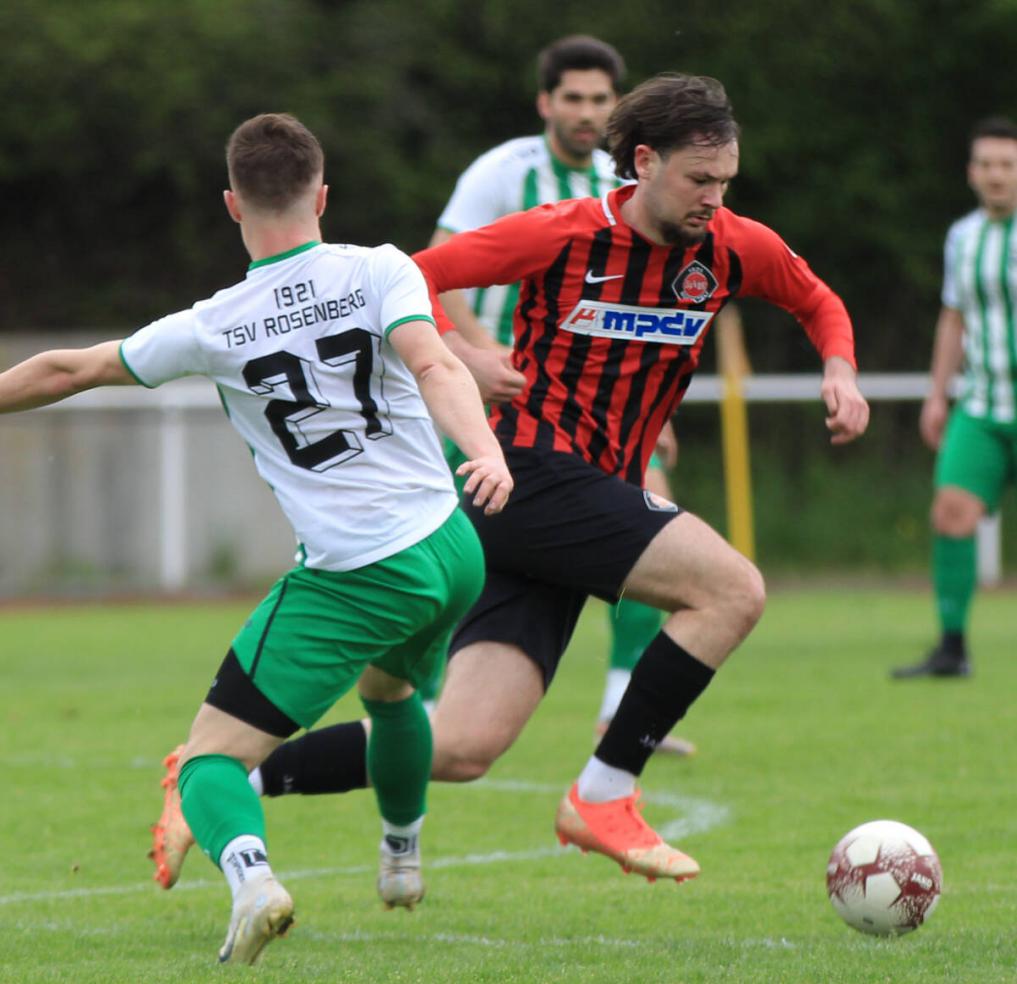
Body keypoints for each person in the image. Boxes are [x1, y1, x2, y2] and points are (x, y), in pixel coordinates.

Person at [153, 73, 869, 891]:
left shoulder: (735, 247)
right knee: (730, 591)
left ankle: (218, 777)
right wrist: (466, 355)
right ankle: (604, 794)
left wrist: (840, 371)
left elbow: (817, 302)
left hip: (567, 504)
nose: (713, 197)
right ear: (642, 163)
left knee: (460, 748)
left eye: (723, 182)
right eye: (698, 180)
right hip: (525, 471)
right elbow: (409, 280)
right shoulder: (560, 234)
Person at [0, 112, 511, 965]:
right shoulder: (381, 268)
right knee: (390, 697)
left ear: (232, 205)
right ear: (322, 193)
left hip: (353, 574)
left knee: (205, 763)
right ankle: (400, 855)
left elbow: (70, 369)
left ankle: (252, 882)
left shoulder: (212, 323)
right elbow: (435, 363)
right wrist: (486, 450)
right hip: (451, 547)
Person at [417, 33, 691, 752]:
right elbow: (435, 269)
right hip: (498, 400)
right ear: (545, 102)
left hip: (599, 409)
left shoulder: (639, 185)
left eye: (600, 99)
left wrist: (648, 408)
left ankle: (619, 703)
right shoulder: (503, 172)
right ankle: (421, 699)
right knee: (455, 555)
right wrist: (471, 357)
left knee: (654, 516)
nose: (586, 112)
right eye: (572, 97)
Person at [893, 116, 1017, 679]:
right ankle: (951, 647)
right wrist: (937, 395)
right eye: (987, 164)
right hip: (984, 406)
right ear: (972, 173)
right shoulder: (963, 237)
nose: (997, 175)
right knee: (950, 513)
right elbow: (953, 318)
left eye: (1007, 164)